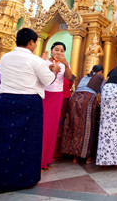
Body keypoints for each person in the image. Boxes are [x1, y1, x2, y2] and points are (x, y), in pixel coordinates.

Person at [0, 28, 57, 195]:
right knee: (28, 142)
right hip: (27, 102)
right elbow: (48, 80)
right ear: (32, 42)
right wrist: (53, 71)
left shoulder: (5, 58)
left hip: (4, 101)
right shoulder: (35, 60)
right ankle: (24, 179)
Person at [61, 65, 104, 164]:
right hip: (87, 100)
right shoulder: (100, 77)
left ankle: (72, 155)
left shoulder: (85, 77)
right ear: (101, 71)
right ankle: (85, 156)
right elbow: (102, 92)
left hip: (74, 99)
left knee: (73, 126)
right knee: (86, 128)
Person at [41, 42, 73, 170]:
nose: (59, 53)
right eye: (56, 50)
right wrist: (49, 68)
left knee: (53, 127)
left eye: (61, 51)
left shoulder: (65, 64)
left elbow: (69, 77)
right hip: (44, 94)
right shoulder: (44, 62)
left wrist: (66, 64)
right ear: (51, 50)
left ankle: (47, 159)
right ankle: (38, 160)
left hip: (57, 96)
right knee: (43, 126)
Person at [53, 75, 76, 159]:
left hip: (55, 98)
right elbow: (71, 86)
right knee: (60, 125)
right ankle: (57, 152)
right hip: (63, 99)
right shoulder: (68, 76)